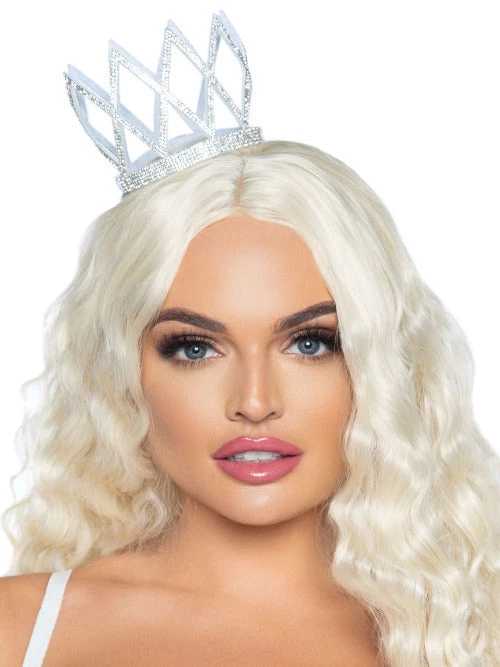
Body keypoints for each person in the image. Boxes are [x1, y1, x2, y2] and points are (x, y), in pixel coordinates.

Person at [1, 12, 499, 667]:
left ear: (384, 366)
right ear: (123, 373)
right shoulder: (17, 631)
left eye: (310, 343)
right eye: (195, 348)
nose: (255, 402)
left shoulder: (471, 630)